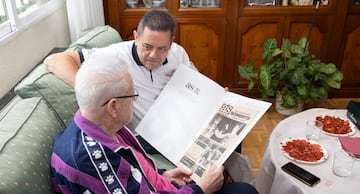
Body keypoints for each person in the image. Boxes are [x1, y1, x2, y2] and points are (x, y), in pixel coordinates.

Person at [50, 55, 267, 194]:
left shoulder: (97, 127)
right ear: (113, 107)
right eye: (133, 96)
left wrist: (163, 176)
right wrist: (201, 190)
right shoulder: (92, 158)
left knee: (238, 193)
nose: (134, 101)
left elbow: (130, 179)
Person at [44, 9, 242, 154]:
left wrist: (214, 93)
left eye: (162, 48)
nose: (154, 55)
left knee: (233, 136)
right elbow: (56, 60)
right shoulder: (115, 55)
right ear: (136, 37)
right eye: (147, 46)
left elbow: (197, 84)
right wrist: (90, 91)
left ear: (171, 43)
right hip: (147, 138)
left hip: (181, 123)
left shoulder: (178, 53)